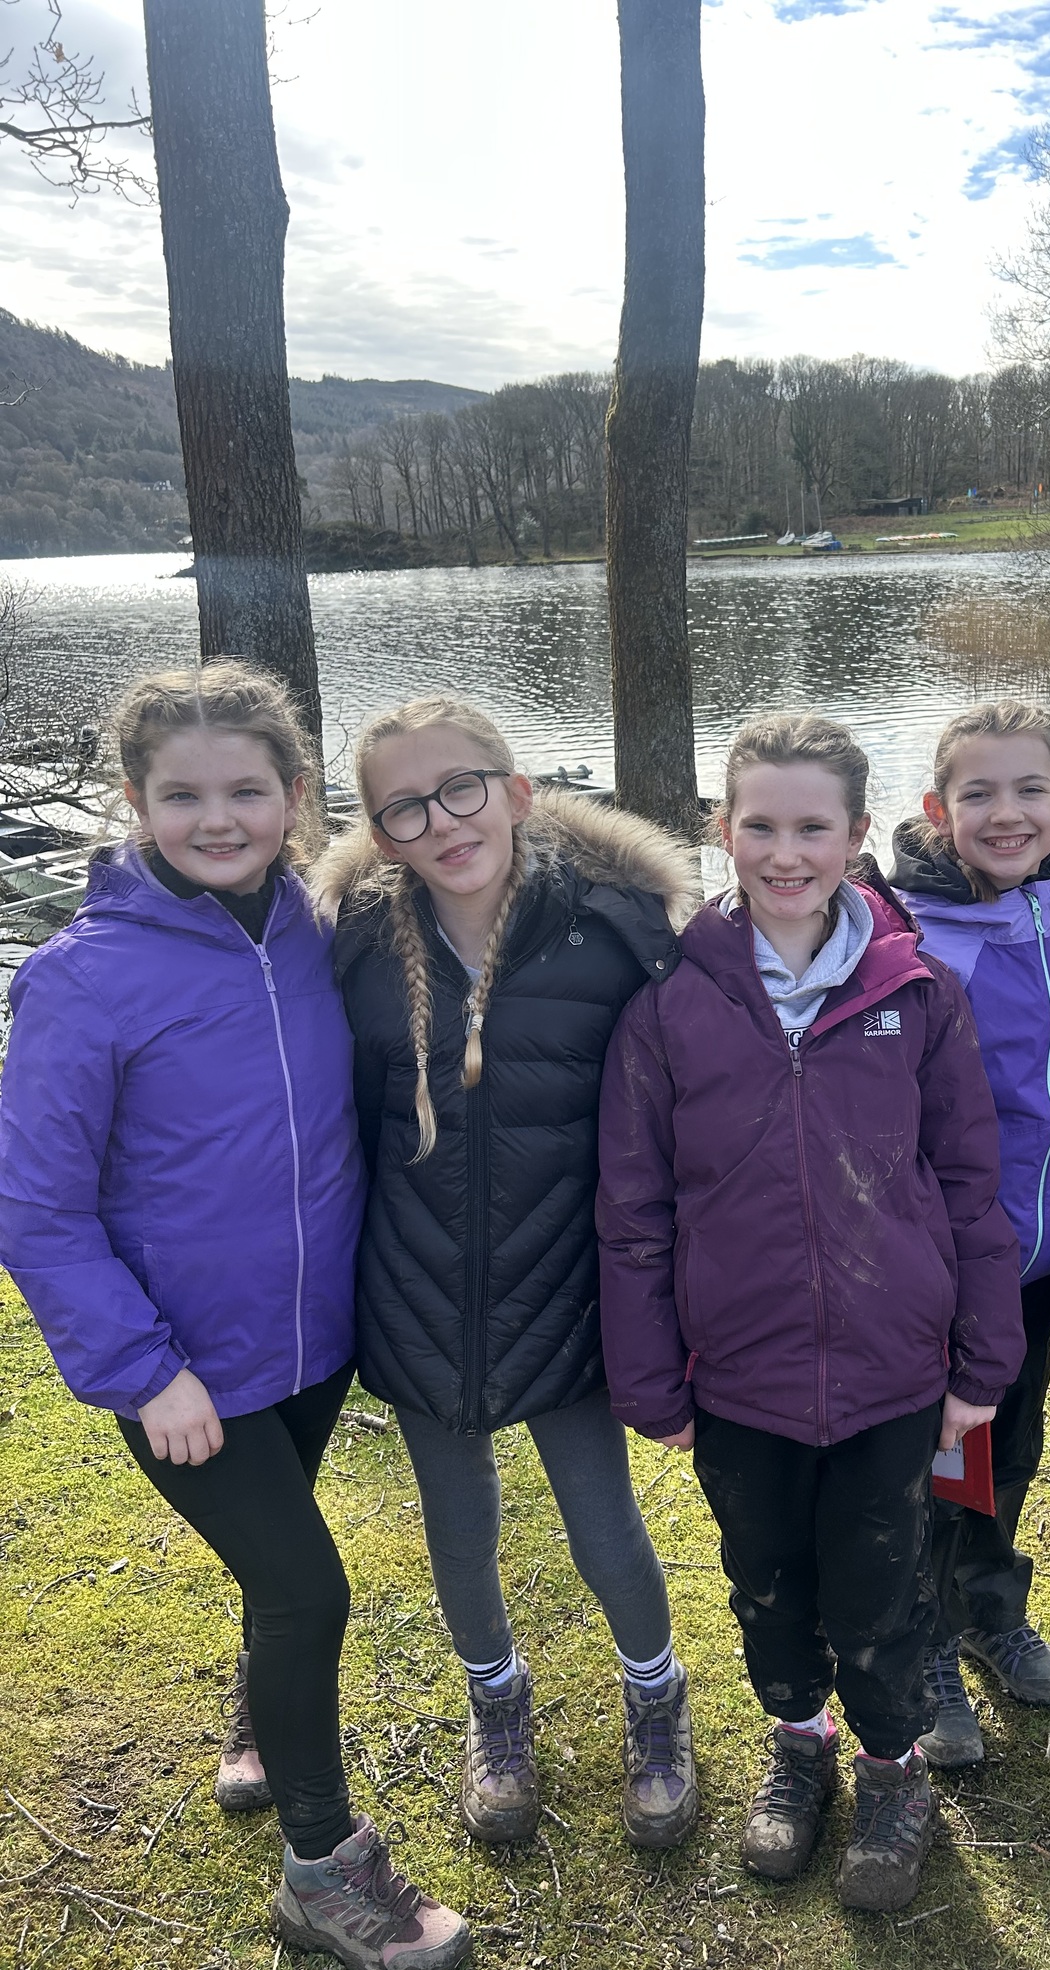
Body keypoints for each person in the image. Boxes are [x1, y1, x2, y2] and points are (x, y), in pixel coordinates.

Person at [0, 664, 470, 1970]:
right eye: (184, 795)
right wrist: (144, 1372)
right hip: (183, 1372)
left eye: (248, 791)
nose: (219, 819)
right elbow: (36, 1208)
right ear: (134, 799)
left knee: (279, 1576)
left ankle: (262, 1713)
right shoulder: (83, 980)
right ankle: (323, 1870)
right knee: (310, 1586)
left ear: (294, 796)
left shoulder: (322, 935)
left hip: (310, 1346)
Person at [597, 713, 1024, 1914]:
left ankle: (892, 1769)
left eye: (813, 827)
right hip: (739, 1374)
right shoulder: (669, 1008)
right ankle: (800, 1741)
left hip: (893, 1371)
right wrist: (651, 1380)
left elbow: (969, 1183)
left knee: (879, 1586)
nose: (786, 853)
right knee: (767, 1581)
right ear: (722, 829)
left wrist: (984, 1359)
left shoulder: (918, 994)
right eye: (761, 826)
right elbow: (632, 1212)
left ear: (855, 831)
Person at [312, 696, 701, 1854]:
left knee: (602, 1521)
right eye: (406, 807)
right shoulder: (353, 952)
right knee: (457, 1522)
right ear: (381, 834)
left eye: (461, 788)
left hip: (571, 1296)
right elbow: (325, 1115)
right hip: (414, 1293)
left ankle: (657, 1696)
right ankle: (497, 1702)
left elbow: (683, 1111)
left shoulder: (618, 937)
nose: (442, 820)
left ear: (517, 792)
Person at [891, 702, 1050, 1766]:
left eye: (1031, 790)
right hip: (930, 1268)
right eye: (977, 793)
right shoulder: (902, 938)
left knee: (1008, 1448)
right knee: (930, 1461)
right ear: (938, 809)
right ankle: (922, 1641)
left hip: (1036, 1260)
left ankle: (988, 1605)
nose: (1006, 812)